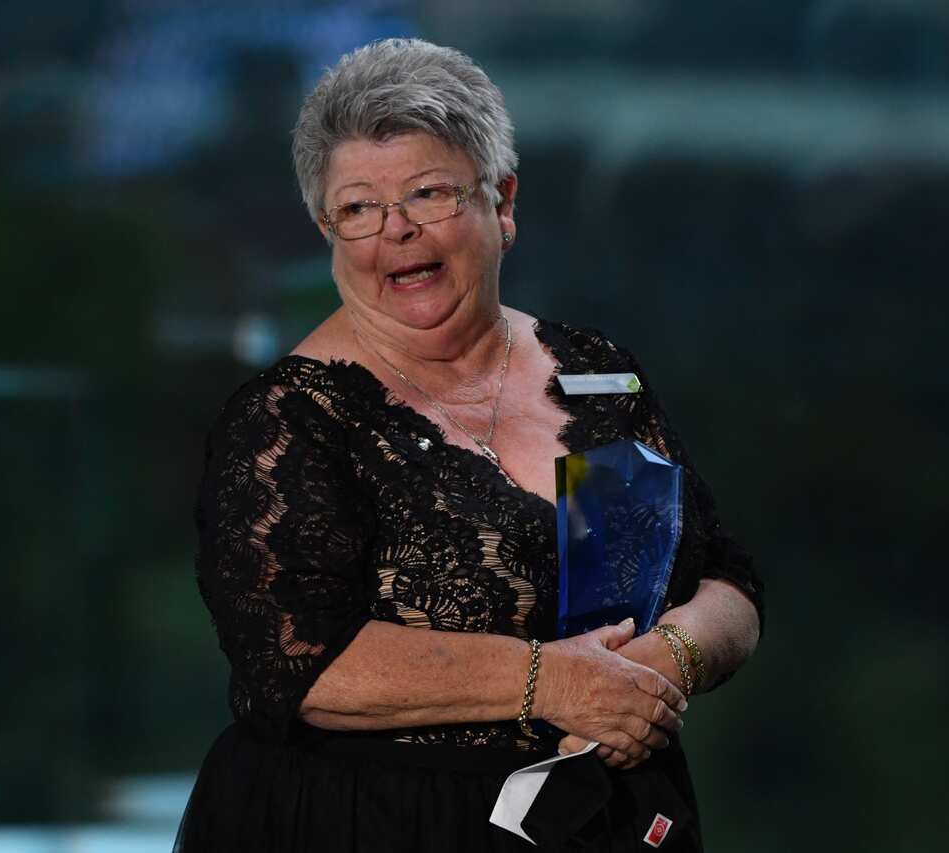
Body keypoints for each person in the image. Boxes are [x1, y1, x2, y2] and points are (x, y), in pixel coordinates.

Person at [176, 38, 763, 853]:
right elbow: (299, 665)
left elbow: (727, 578)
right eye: (358, 208)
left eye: (430, 193)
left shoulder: (598, 372)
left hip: (609, 815)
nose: (397, 231)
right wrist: (560, 683)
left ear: (503, 201)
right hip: (364, 827)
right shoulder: (286, 419)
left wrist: (664, 665)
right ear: (327, 228)